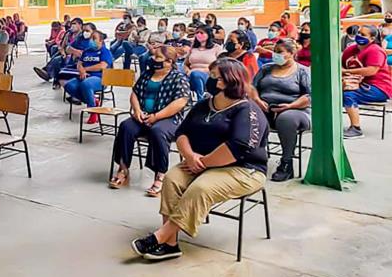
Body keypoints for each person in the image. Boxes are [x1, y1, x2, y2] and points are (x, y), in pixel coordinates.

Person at [130, 58, 268, 261]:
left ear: (230, 81)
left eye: (214, 77)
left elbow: (238, 146)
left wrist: (202, 163)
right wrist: (190, 156)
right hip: (200, 163)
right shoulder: (204, 105)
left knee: (201, 188)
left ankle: (160, 236)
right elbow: (182, 132)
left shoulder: (248, 110)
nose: (208, 80)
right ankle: (170, 244)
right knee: (172, 179)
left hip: (243, 169)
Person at [110, 45, 190, 196]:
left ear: (169, 61)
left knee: (157, 131)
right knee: (126, 126)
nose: (153, 60)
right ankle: (123, 168)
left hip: (168, 119)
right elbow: (135, 92)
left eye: (158, 57)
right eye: (154, 56)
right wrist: (137, 111)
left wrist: (157, 116)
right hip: (144, 115)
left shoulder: (178, 78)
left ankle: (160, 174)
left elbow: (181, 101)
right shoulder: (147, 74)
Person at [250, 39, 311, 181]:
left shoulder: (302, 71)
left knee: (286, 119)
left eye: (279, 52)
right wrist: (257, 100)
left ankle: (286, 163)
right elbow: (252, 87)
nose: (275, 55)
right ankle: (253, 158)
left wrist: (290, 106)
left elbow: (309, 96)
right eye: (274, 52)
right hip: (265, 107)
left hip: (295, 110)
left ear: (291, 53)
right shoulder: (266, 68)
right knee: (248, 114)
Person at [341, 25, 392, 139]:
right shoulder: (350, 50)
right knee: (332, 93)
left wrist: (347, 72)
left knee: (348, 94)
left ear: (372, 38)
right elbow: (342, 67)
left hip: (379, 88)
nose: (359, 36)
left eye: (363, 35)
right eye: (358, 33)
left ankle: (356, 128)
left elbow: (371, 70)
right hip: (357, 83)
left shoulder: (376, 50)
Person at [63, 28, 112, 124]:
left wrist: (86, 69)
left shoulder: (105, 52)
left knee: (86, 84)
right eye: (91, 38)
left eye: (94, 39)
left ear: (101, 41)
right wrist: (81, 69)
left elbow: (102, 66)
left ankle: (92, 110)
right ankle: (93, 101)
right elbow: (79, 63)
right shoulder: (86, 51)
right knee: (69, 85)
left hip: (100, 78)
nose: (91, 41)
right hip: (83, 76)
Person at [34, 18, 84, 88]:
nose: (73, 26)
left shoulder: (82, 36)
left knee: (56, 60)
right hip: (65, 53)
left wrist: (69, 52)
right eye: (72, 24)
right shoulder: (68, 34)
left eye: (75, 24)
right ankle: (48, 73)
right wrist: (63, 52)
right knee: (56, 54)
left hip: (74, 56)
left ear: (80, 25)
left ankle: (53, 77)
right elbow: (62, 46)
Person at [184, 25, 222, 99]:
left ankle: (199, 99)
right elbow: (185, 64)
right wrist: (187, 71)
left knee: (196, 75)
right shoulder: (193, 48)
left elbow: (219, 64)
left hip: (208, 75)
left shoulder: (216, 48)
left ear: (208, 34)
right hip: (191, 74)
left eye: (201, 33)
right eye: (197, 32)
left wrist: (204, 71)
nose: (198, 35)